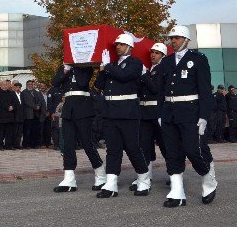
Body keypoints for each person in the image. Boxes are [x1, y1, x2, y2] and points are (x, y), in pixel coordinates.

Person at [160, 25, 217, 207]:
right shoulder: (166, 62)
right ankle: (177, 191)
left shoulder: (198, 59)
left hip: (191, 111)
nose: (173, 41)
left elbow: (205, 90)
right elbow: (161, 90)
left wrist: (204, 116)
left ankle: (208, 179)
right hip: (169, 112)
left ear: (186, 40)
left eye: (177, 38)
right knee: (172, 152)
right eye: (171, 38)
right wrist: (161, 112)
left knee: (194, 150)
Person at [93, 33, 150, 197]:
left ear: (130, 47)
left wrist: (109, 67)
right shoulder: (111, 65)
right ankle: (111, 183)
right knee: (113, 149)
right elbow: (98, 85)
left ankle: (143, 179)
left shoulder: (136, 63)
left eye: (121, 44)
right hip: (110, 111)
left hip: (128, 111)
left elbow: (124, 76)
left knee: (132, 148)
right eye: (116, 44)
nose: (117, 47)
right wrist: (103, 69)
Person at [52, 63, 106, 193]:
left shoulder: (85, 66)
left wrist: (74, 68)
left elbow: (82, 83)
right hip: (68, 108)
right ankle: (69, 178)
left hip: (83, 108)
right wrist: (65, 70)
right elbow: (55, 82)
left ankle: (100, 173)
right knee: (68, 144)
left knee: (87, 143)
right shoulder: (64, 67)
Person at [129, 43, 167, 192]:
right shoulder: (149, 70)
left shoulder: (163, 70)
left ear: (163, 56)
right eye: (152, 52)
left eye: (157, 53)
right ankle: (145, 176)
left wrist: (144, 75)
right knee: (145, 146)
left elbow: (155, 89)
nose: (153, 55)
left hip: (158, 111)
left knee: (165, 145)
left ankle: (174, 173)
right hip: (144, 112)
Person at [0, 80, 15, 150]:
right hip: (1, 115)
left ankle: (8, 145)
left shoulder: (11, 93)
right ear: (0, 85)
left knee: (9, 132)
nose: (5, 86)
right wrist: (7, 107)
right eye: (3, 85)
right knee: (0, 132)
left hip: (10, 115)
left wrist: (12, 106)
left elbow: (15, 102)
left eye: (6, 84)